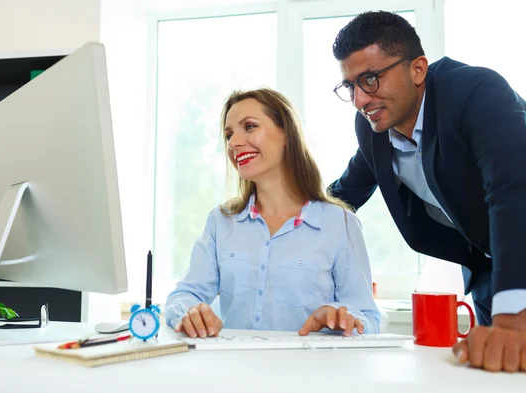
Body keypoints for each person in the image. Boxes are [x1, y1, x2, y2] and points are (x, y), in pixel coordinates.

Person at [328, 11, 526, 372]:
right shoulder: (372, 130)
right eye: (350, 86)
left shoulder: (476, 92)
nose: (359, 100)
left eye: (370, 79)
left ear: (418, 69)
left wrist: (513, 318)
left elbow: (513, 189)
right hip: (488, 270)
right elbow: (343, 194)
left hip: (519, 259)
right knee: (499, 377)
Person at [165, 88, 380, 338]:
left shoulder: (341, 224)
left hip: (309, 373)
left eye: (249, 127)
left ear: (287, 134)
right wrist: (190, 311)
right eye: (228, 134)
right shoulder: (221, 221)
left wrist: (339, 316)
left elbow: (369, 319)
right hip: (234, 371)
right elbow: (184, 295)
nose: (234, 143)